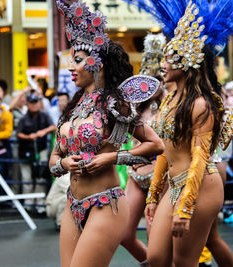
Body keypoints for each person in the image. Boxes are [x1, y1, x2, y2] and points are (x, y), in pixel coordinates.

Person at [129, 0, 233, 265]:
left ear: (189, 62)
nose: (164, 65)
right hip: (174, 183)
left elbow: (200, 158)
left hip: (201, 185)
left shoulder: (201, 104)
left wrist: (185, 207)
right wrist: (154, 194)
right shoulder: (169, 101)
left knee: (184, 262)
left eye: (171, 59)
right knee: (156, 258)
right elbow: (163, 151)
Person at [50, 1, 164, 266]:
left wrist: (110, 158)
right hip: (72, 205)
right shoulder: (72, 107)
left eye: (77, 61)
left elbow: (155, 145)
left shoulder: (115, 104)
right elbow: (54, 158)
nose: (71, 67)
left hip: (107, 204)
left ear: (98, 64)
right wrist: (63, 163)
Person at [120, 32, 167, 266]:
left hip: (162, 176)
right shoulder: (136, 108)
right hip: (135, 174)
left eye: (157, 79)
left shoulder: (172, 106)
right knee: (123, 233)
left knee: (154, 237)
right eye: (147, 80)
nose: (151, 85)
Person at [17, 93, 56, 213]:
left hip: (41, 150)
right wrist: (29, 137)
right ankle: (28, 204)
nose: (34, 105)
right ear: (27, 104)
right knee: (27, 178)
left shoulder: (44, 116)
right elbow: (18, 133)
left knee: (41, 177)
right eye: (32, 103)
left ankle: (40, 204)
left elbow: (53, 127)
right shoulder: (23, 118)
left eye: (36, 102)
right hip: (26, 151)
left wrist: (43, 132)